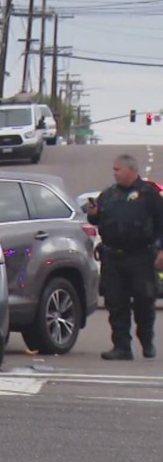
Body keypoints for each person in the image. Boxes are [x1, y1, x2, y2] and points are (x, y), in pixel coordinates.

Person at [85, 154, 163, 360]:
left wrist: (162, 250)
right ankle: (121, 346)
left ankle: (146, 339)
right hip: (112, 257)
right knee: (115, 303)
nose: (114, 173)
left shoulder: (150, 194)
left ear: (131, 170)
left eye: (117, 169)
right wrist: (93, 213)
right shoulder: (109, 194)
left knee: (144, 300)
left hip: (141, 256)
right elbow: (96, 219)